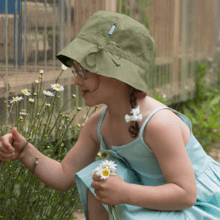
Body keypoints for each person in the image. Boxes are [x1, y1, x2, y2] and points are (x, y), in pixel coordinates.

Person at [0, 10, 220, 220]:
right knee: (99, 177)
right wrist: (26, 151)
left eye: (83, 71)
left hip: (201, 205)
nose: (76, 80)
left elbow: (186, 194)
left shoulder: (158, 124)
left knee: (113, 182)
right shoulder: (98, 124)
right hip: (158, 199)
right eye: (75, 71)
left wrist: (125, 193)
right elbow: (64, 175)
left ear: (117, 74)